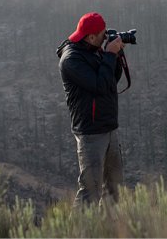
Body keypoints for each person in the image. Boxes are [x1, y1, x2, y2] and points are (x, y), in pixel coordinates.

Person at [56, 12, 126, 208]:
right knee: (90, 190)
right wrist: (110, 54)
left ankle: (110, 229)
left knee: (114, 188)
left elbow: (111, 81)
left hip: (109, 128)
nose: (105, 38)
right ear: (91, 36)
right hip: (91, 133)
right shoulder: (71, 59)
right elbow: (99, 85)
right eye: (102, 35)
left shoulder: (92, 49)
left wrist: (116, 55)